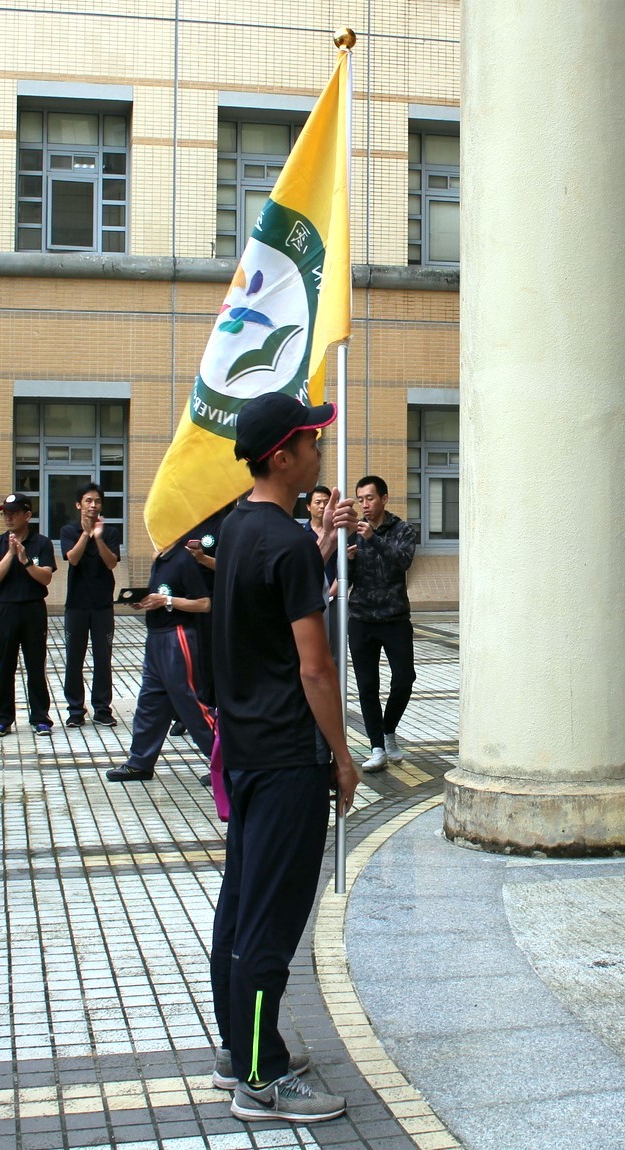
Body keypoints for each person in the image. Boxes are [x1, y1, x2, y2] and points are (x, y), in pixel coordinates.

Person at [209, 392, 358, 1125]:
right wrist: (342, 754)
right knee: (270, 921)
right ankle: (261, 1079)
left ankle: (241, 1049)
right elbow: (315, 668)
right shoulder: (290, 542)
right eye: (311, 440)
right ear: (281, 455)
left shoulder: (238, 528)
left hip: (244, 750)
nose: (319, 451)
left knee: (241, 905)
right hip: (289, 756)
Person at [107, 540, 214, 783]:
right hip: (156, 637)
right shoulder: (160, 559)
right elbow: (159, 595)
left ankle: (228, 761)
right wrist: (145, 601)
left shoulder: (184, 559)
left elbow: (204, 603)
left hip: (177, 638)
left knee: (191, 704)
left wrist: (166, 601)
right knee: (150, 702)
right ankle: (140, 763)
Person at [347, 475, 418, 772]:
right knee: (367, 685)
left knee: (405, 679)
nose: (365, 504)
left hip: (395, 618)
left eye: (370, 498)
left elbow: (402, 561)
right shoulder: (351, 534)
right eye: (361, 499)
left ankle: (389, 731)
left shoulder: (403, 530)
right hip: (362, 619)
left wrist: (372, 539)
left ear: (385, 499)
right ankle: (377, 745)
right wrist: (347, 561)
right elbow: (346, 580)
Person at [0, 494, 56, 737]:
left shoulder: (42, 543)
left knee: (36, 664)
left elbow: (46, 577)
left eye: (13, 513)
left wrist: (26, 560)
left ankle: (40, 717)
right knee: (5, 665)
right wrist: (11, 553)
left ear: (27, 515)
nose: (8, 517)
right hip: (6, 608)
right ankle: (2, 718)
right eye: (5, 513)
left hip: (33, 609)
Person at [58, 482, 121, 726]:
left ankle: (102, 709)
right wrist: (86, 534)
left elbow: (111, 563)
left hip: (103, 605)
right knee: (74, 658)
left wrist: (98, 537)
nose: (93, 505)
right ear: (78, 505)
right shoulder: (68, 530)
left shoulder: (111, 532)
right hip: (76, 605)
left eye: (97, 501)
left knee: (103, 658)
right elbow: (72, 559)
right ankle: (75, 710)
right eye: (88, 501)